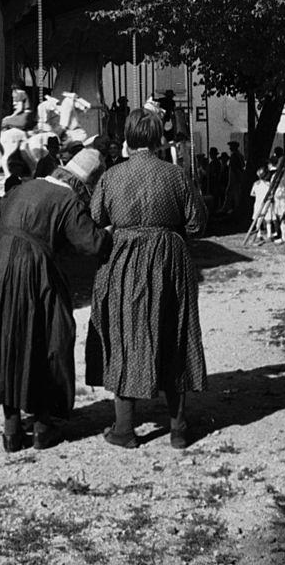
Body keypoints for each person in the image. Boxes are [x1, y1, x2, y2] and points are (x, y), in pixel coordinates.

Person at [0, 148, 112, 452]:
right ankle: (42, 426)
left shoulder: (21, 188)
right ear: (85, 185)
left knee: (6, 340)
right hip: (36, 269)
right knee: (49, 338)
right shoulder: (68, 201)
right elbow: (90, 243)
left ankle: (12, 430)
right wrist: (109, 231)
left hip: (0, 267)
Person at [86, 108, 207, 450]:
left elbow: (96, 217)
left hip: (123, 260)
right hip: (169, 260)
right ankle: (179, 429)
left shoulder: (112, 176)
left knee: (125, 333)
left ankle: (124, 429)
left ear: (128, 137)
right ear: (158, 138)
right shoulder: (177, 175)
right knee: (175, 334)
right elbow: (197, 225)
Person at [250, 166, 275, 241]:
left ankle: (259, 234)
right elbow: (271, 194)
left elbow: (252, 193)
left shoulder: (256, 184)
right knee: (268, 220)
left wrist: (257, 195)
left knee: (258, 219)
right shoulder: (268, 184)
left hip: (258, 203)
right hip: (266, 203)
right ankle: (269, 234)